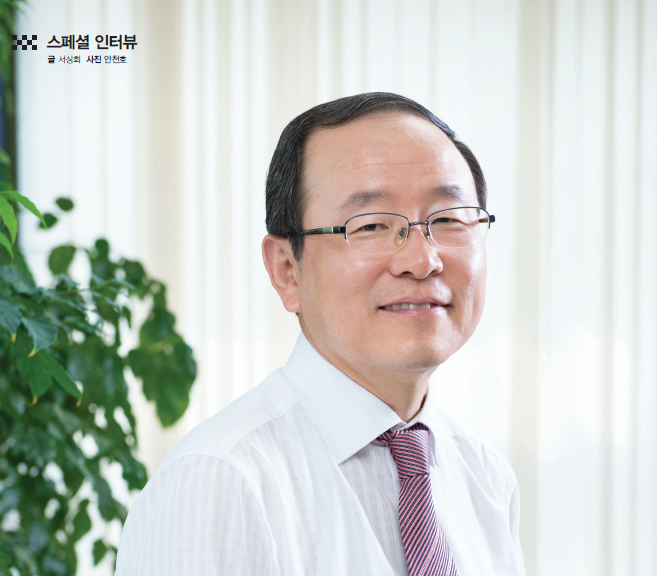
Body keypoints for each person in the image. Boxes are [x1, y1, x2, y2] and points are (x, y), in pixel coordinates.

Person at [116, 92, 526, 575]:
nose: (422, 260)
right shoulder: (219, 482)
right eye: (371, 225)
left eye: (449, 219)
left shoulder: (486, 478)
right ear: (287, 270)